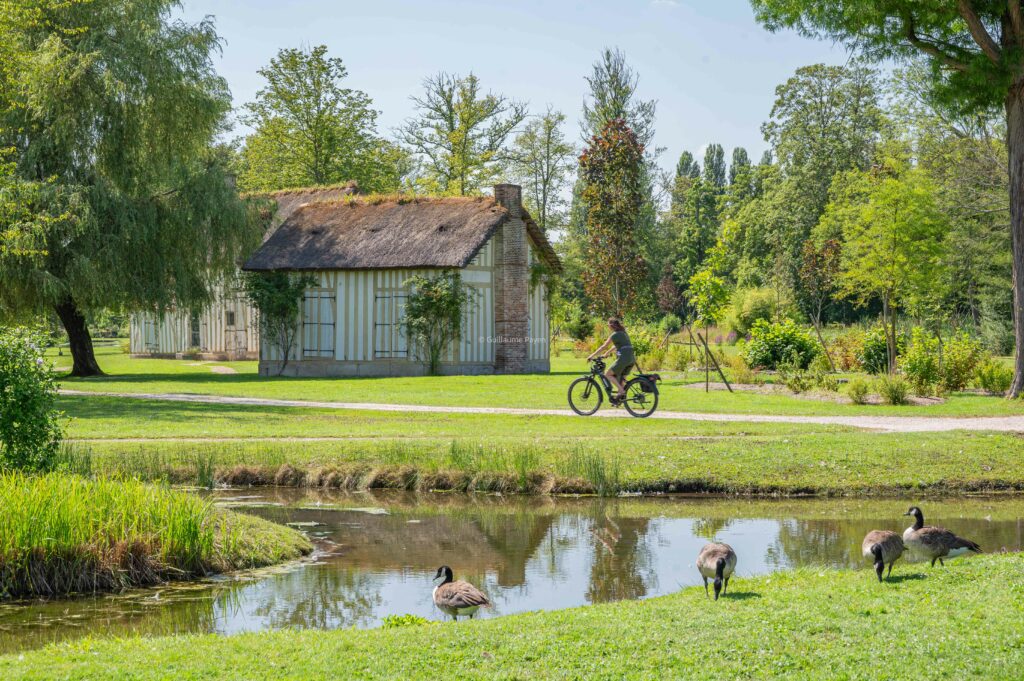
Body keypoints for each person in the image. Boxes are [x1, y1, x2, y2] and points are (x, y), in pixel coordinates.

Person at [587, 318, 634, 401]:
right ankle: (618, 400)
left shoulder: (614, 335)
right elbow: (615, 346)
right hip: (631, 359)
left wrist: (591, 355)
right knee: (621, 380)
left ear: (612, 325)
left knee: (608, 374)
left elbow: (604, 346)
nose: (608, 326)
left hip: (624, 358)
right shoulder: (623, 333)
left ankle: (621, 391)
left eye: (608, 324)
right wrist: (606, 353)